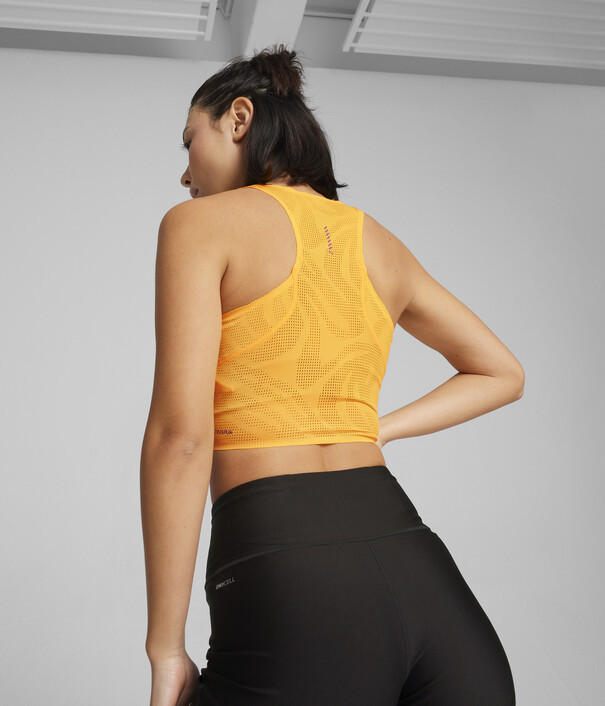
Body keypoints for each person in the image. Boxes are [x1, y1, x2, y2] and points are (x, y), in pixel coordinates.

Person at [140, 44, 524, 706]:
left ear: (238, 119)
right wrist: (372, 430)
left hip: (289, 566)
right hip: (418, 570)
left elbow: (181, 439)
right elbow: (501, 372)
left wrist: (165, 648)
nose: (184, 174)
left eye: (189, 141)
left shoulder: (199, 225)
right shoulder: (377, 241)